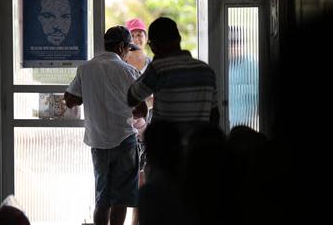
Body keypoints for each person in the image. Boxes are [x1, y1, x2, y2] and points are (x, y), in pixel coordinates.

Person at [64, 26, 147, 225]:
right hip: (124, 140)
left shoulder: (86, 68)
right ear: (120, 47)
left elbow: (70, 99)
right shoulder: (129, 71)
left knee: (102, 199)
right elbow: (141, 109)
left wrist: (91, 96)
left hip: (98, 141)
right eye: (128, 49)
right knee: (121, 199)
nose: (128, 53)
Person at [127, 17, 220, 144]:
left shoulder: (158, 69)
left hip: (168, 149)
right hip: (198, 149)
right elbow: (214, 115)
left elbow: (132, 97)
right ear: (179, 39)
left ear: (153, 46)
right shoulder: (206, 70)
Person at [125, 18, 152, 225]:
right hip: (125, 132)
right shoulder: (122, 66)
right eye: (133, 35)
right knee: (124, 185)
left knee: (143, 185)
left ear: (146, 37)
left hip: (147, 134)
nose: (137, 38)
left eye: (140, 34)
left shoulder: (153, 66)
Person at [228, 25, 259, 128]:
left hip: (248, 128)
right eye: (230, 42)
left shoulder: (255, 66)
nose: (234, 46)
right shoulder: (218, 67)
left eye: (238, 42)